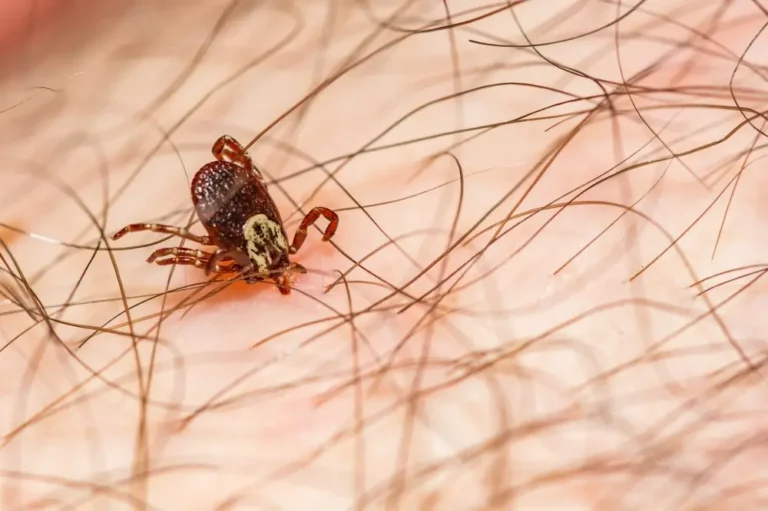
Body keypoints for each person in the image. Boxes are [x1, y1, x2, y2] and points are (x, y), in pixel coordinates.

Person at [1, 1, 764, 509]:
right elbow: (231, 215)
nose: (277, 263)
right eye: (273, 257)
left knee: (198, 238)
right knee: (189, 245)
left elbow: (237, 211)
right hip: (230, 200)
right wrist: (248, 248)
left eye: (278, 256)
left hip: (226, 200)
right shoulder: (257, 236)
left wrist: (242, 251)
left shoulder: (249, 242)